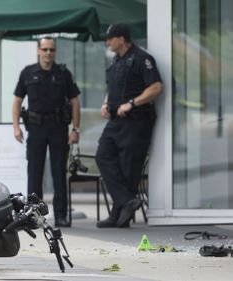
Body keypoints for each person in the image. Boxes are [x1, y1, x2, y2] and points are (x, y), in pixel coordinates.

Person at [95, 24, 162, 228]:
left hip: (137, 120)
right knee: (103, 155)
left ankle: (119, 215)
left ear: (122, 39)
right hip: (116, 120)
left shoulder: (143, 59)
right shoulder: (116, 60)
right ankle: (127, 201)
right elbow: (112, 88)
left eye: (110, 38)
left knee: (128, 168)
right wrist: (106, 103)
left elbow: (156, 87)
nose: (107, 42)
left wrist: (132, 103)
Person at [12, 37, 81, 228]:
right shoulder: (28, 72)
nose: (48, 53)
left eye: (51, 50)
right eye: (45, 49)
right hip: (35, 128)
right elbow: (17, 100)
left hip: (59, 127)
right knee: (34, 172)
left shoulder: (63, 73)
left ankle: (61, 215)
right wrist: (16, 126)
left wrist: (75, 129)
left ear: (55, 52)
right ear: (38, 51)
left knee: (59, 172)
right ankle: (34, 215)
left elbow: (74, 102)